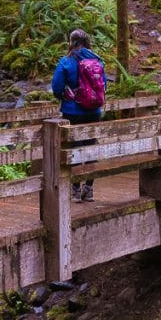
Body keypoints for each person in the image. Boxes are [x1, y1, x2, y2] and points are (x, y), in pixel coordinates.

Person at [51, 29, 107, 202]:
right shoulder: (97, 60)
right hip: (94, 112)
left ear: (71, 41)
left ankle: (75, 190)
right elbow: (103, 85)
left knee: (74, 149)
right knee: (91, 148)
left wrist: (64, 95)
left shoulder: (66, 61)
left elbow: (56, 87)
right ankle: (89, 190)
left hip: (72, 111)